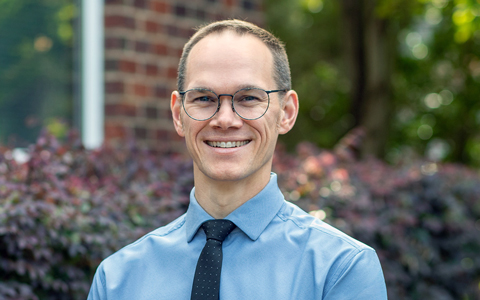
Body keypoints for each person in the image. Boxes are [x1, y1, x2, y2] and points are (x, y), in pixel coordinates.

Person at [87, 19, 388, 299]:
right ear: (179, 114)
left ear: (286, 113)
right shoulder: (117, 279)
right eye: (204, 98)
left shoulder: (340, 270)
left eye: (249, 98)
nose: (225, 119)